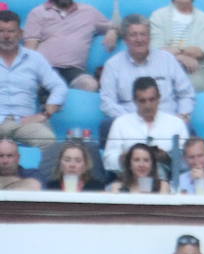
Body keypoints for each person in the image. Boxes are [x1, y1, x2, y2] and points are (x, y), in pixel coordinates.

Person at [99, 15, 196, 121]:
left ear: (150, 37)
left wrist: (182, 115)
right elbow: (107, 101)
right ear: (125, 39)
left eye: (143, 34)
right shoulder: (113, 65)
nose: (139, 39)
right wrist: (128, 120)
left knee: (190, 131)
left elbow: (186, 93)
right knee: (106, 125)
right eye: (133, 35)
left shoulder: (167, 59)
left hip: (168, 122)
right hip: (130, 124)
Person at [0, 10, 65, 150]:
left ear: (20, 33)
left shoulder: (35, 59)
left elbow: (59, 87)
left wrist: (45, 114)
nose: (6, 36)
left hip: (24, 122)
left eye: (11, 31)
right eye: (1, 31)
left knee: (49, 140)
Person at [21, 0, 117, 92]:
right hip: (45, 67)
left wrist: (113, 31)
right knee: (33, 83)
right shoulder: (38, 12)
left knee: (90, 84)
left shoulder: (89, 12)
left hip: (73, 69)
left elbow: (117, 26)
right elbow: (30, 46)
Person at [102, 76, 188, 171]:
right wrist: (126, 158)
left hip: (167, 180)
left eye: (152, 100)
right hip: (129, 180)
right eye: (142, 101)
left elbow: (186, 160)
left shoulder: (176, 123)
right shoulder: (120, 123)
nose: (148, 106)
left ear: (159, 98)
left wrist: (166, 158)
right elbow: (108, 161)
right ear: (134, 101)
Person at [150, 0, 204, 94]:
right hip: (163, 65)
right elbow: (156, 48)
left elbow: (201, 51)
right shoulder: (158, 16)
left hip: (196, 68)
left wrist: (175, 51)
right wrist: (180, 57)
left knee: (193, 85)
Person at [107, 142, 172, 193]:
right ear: (129, 164)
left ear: (152, 165)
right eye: (136, 160)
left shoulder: (162, 186)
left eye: (146, 160)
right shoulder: (118, 187)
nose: (141, 165)